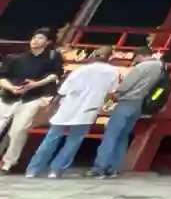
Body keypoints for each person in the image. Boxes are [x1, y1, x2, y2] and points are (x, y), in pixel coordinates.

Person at [26, 46, 119, 178]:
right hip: (89, 109)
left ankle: (33, 169)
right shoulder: (113, 72)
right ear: (110, 57)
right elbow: (112, 92)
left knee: (51, 138)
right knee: (74, 141)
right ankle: (56, 170)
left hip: (68, 107)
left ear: (94, 55)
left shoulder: (80, 70)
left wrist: (52, 106)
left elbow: (63, 90)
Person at [90, 51, 164, 179]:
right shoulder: (159, 67)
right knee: (123, 136)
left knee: (111, 135)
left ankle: (100, 167)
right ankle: (114, 168)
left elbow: (126, 85)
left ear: (139, 55)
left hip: (126, 101)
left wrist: (116, 94)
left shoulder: (141, 67)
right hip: (138, 102)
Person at [0, 29, 64, 173]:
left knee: (18, 131)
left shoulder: (51, 59)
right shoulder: (14, 58)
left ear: (48, 42)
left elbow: (54, 75)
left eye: (40, 38)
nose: (36, 40)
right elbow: (2, 77)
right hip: (9, 96)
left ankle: (8, 162)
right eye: (34, 37)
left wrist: (35, 84)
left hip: (31, 98)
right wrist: (11, 88)